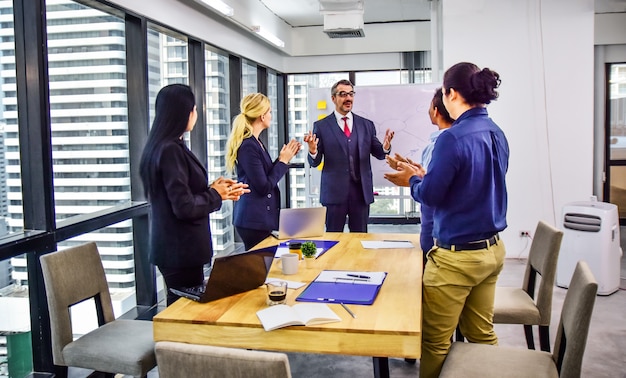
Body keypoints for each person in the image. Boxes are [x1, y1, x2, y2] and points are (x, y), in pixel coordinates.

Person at [384, 62, 509, 378]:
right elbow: (472, 184)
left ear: (451, 94)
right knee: (482, 336)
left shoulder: (451, 138)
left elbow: (432, 196)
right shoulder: (496, 132)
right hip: (492, 252)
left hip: (456, 259)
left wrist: (411, 182)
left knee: (436, 344)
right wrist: (425, 177)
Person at [140, 84, 249, 306]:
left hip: (177, 248)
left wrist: (214, 188)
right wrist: (215, 194)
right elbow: (184, 207)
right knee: (183, 310)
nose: (196, 114)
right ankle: (170, 343)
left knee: (181, 308)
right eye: (195, 109)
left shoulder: (166, 146)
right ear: (185, 112)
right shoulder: (170, 149)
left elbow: (179, 192)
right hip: (180, 250)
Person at [304, 79, 394, 232]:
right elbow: (315, 161)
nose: (348, 98)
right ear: (333, 98)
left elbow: (379, 153)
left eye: (351, 94)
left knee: (360, 239)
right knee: (333, 238)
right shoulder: (322, 126)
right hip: (334, 194)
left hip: (361, 194)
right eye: (343, 94)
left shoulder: (366, 125)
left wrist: (385, 146)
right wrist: (313, 150)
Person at [386, 87, 454, 263]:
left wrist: (410, 178)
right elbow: (433, 176)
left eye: (430, 106)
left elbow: (432, 187)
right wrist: (410, 168)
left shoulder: (442, 143)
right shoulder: (444, 141)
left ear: (436, 111)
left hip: (434, 226)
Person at [226, 93, 301, 250]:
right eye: (270, 112)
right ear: (262, 115)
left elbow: (263, 174)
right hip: (253, 220)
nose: (271, 116)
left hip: (258, 219)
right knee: (260, 268)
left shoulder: (256, 142)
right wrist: (283, 162)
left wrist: (283, 157)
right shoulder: (248, 146)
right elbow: (263, 186)